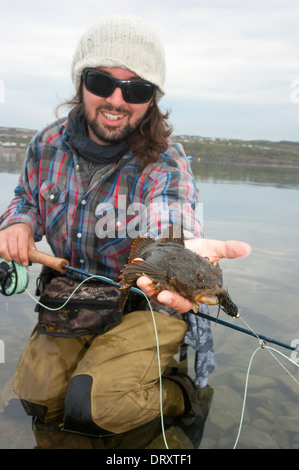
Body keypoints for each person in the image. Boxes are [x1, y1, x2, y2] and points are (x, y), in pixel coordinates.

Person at [0, 14, 251, 441]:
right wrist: (18, 222)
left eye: (136, 88)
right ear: (80, 82)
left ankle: (180, 395)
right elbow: (26, 197)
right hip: (76, 295)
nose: (117, 99)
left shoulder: (166, 161)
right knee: (37, 402)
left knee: (91, 407)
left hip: (149, 302)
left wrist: (180, 245)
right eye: (101, 81)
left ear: (151, 99)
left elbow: (169, 215)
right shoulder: (44, 143)